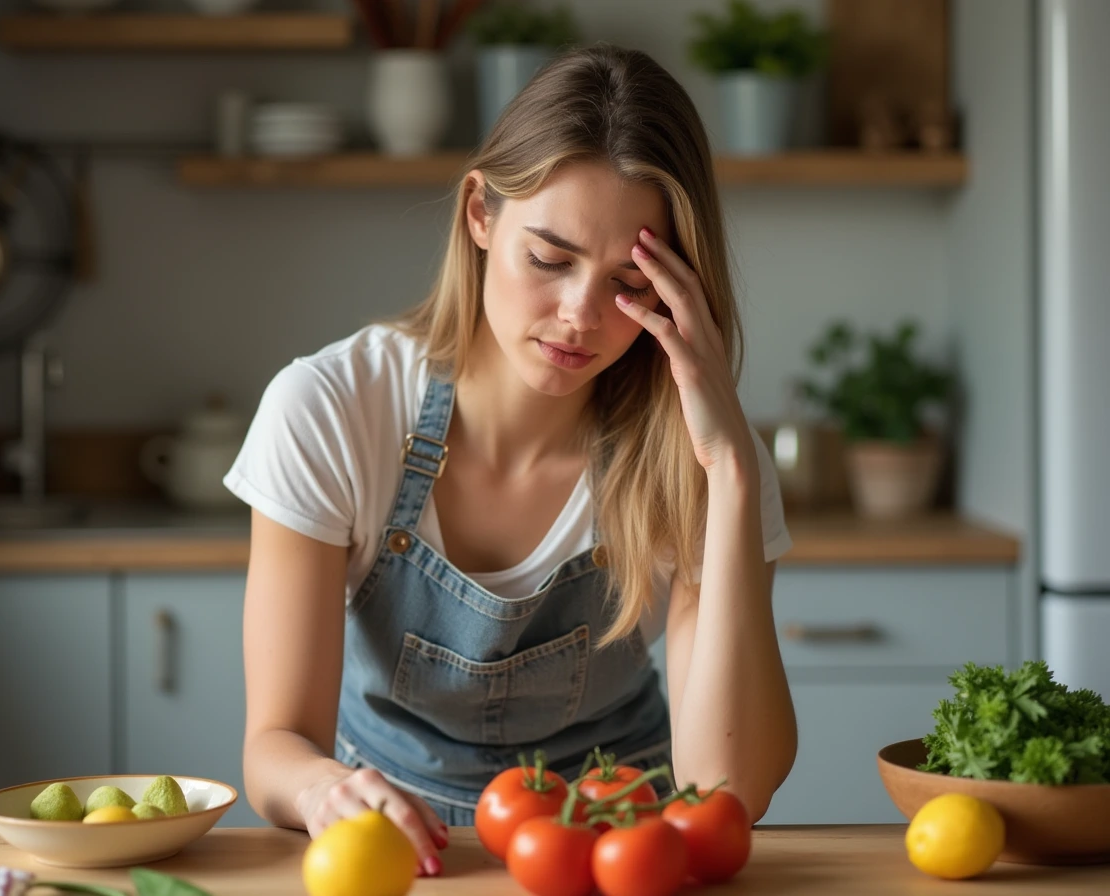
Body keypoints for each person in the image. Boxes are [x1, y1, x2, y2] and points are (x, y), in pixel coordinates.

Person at [224, 43, 797, 878]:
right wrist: (322, 791)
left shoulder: (696, 452)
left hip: (619, 853)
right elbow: (276, 746)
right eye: (550, 259)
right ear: (479, 214)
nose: (579, 316)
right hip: (403, 850)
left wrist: (731, 469)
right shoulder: (331, 408)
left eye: (627, 285)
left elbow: (727, 787)